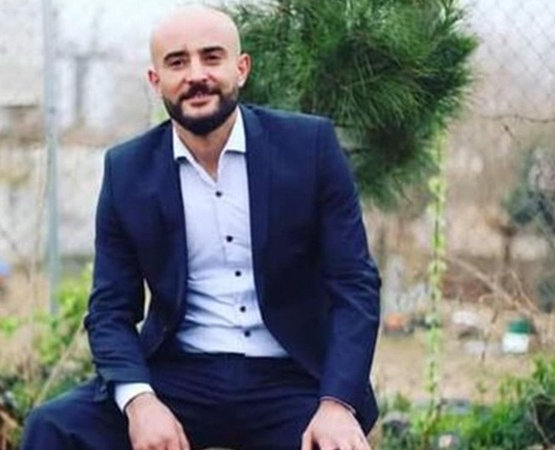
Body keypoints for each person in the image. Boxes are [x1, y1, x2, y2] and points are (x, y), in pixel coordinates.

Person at [22, 4, 380, 450]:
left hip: (292, 375)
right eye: (177, 62)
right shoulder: (127, 170)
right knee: (53, 427)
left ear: (241, 68)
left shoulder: (309, 147)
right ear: (156, 81)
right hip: (180, 374)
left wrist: (337, 404)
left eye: (212, 57)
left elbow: (354, 284)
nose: (196, 75)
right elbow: (110, 309)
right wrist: (140, 401)